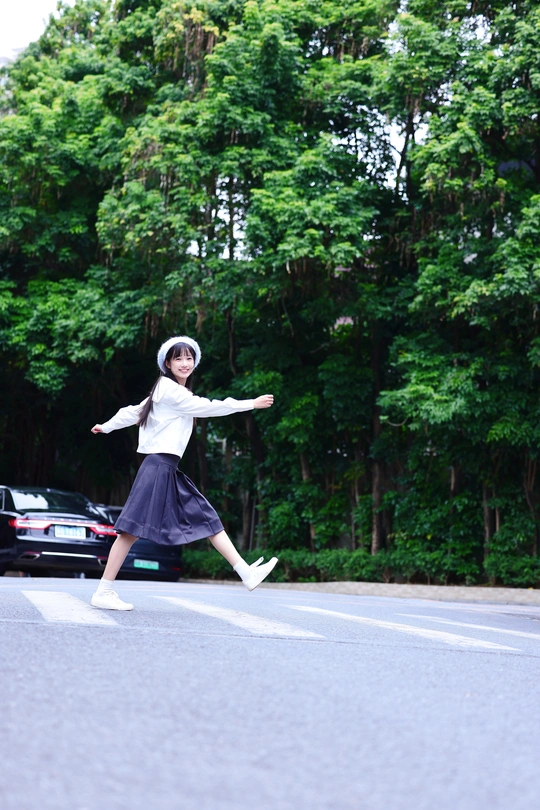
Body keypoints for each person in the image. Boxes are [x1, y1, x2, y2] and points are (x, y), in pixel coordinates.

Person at [89, 335, 278, 610]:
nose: (185, 363)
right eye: (178, 358)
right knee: (129, 531)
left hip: (167, 467)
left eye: (189, 358)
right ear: (167, 363)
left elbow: (132, 412)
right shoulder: (171, 392)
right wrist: (250, 403)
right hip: (158, 467)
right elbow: (209, 407)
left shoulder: (164, 392)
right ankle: (103, 591)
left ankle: (246, 573)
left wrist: (106, 426)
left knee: (206, 517)